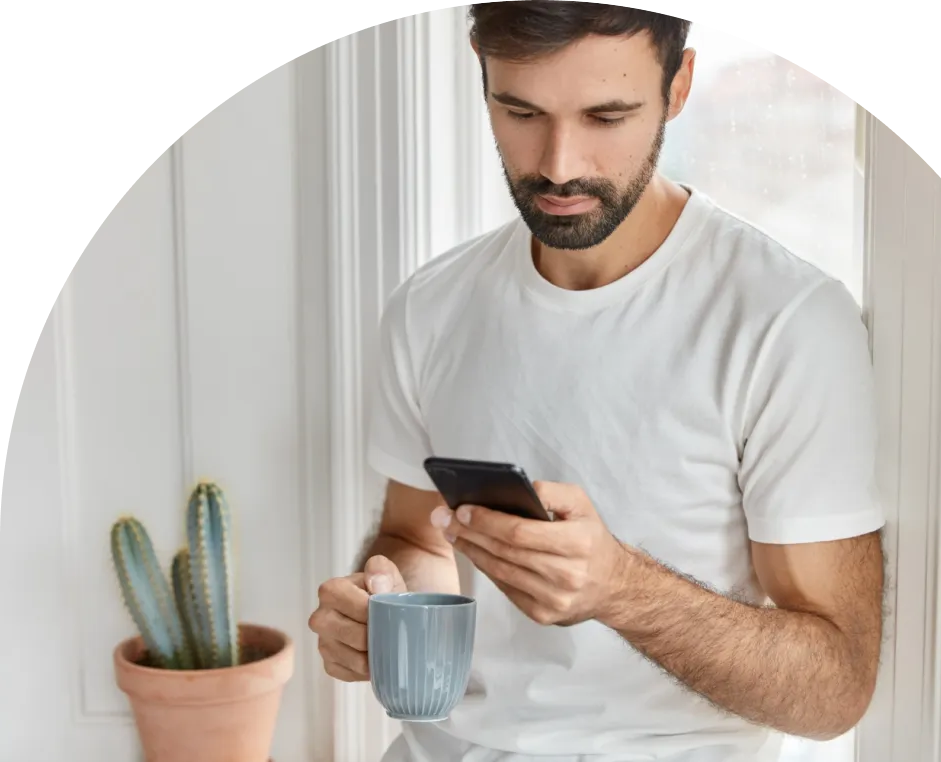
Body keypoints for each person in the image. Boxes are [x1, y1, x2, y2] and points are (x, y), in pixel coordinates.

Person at [308, 3, 885, 761]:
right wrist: (387, 608)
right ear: (481, 69)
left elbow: (835, 688)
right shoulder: (430, 306)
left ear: (678, 87)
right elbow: (416, 535)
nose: (559, 164)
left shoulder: (786, 321)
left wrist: (622, 589)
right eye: (521, 111)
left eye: (607, 117)